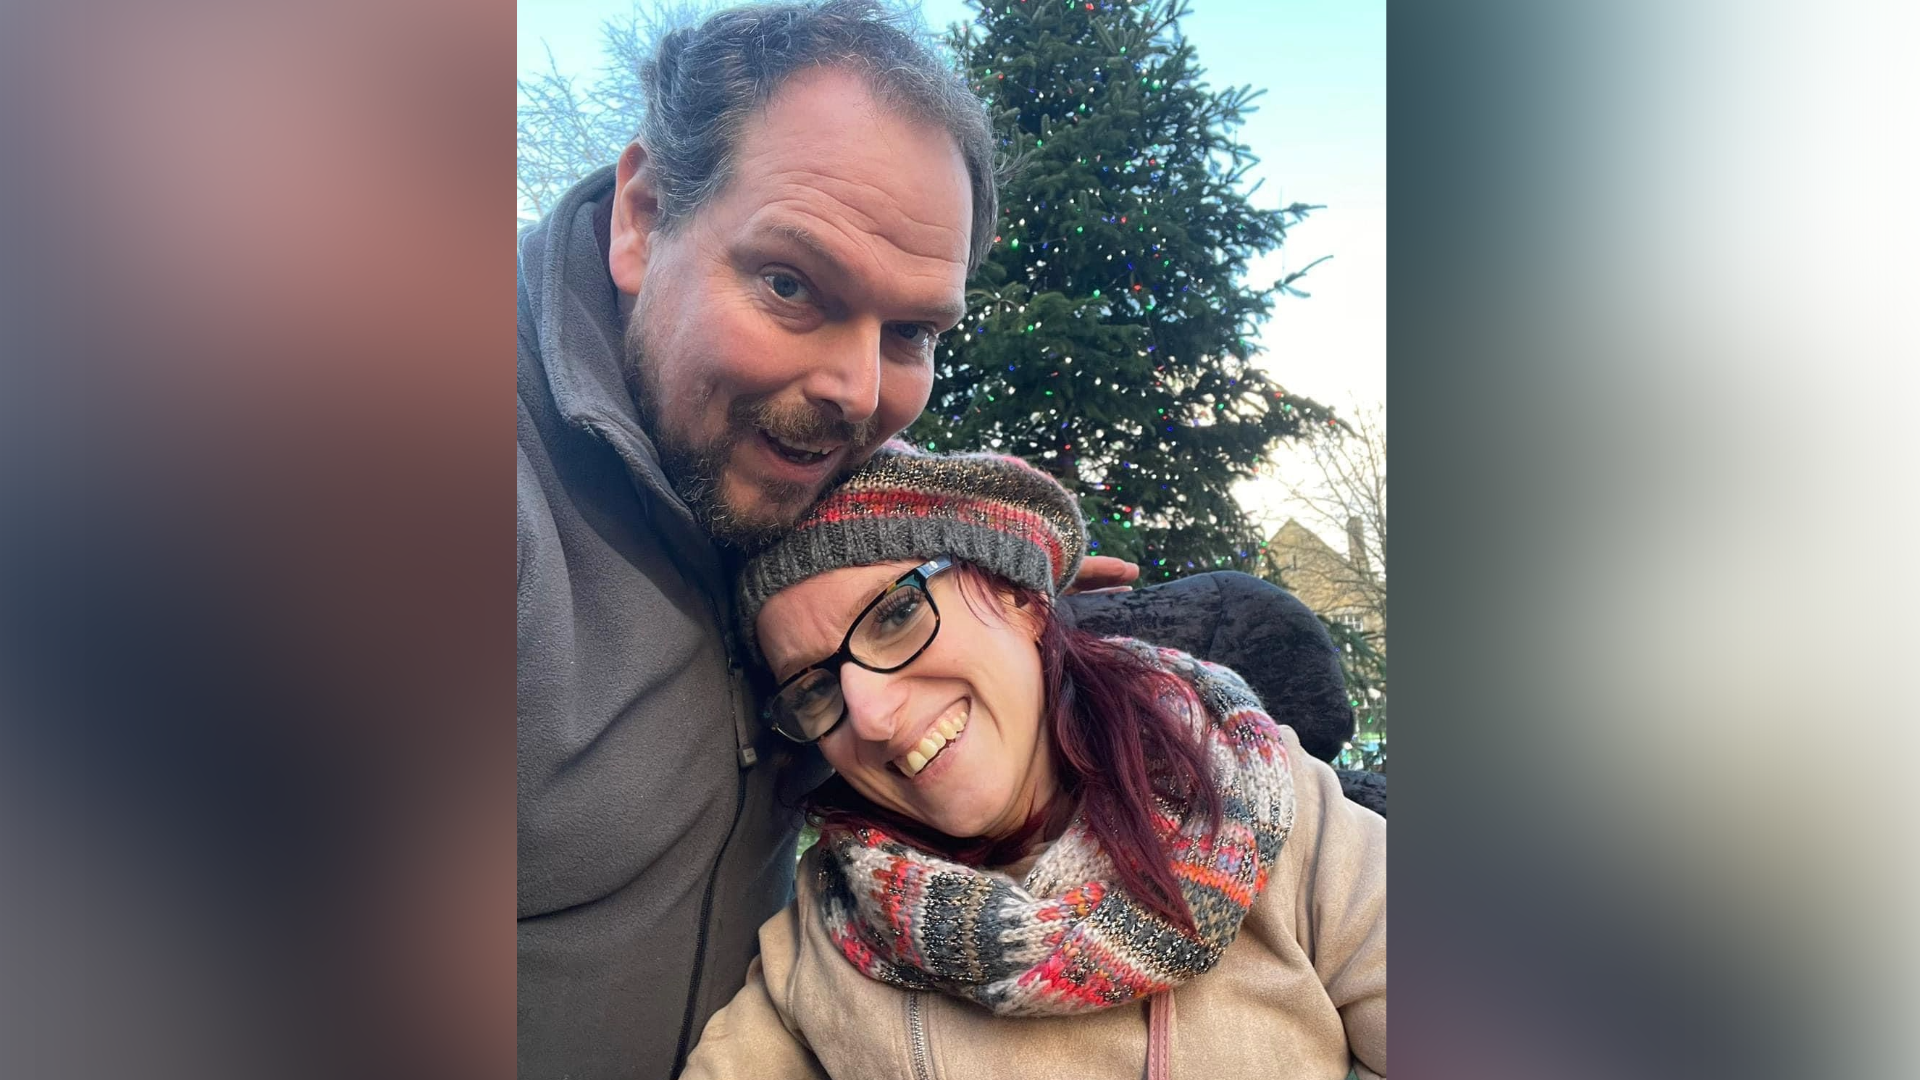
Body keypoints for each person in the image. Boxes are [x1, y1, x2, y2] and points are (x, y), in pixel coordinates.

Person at [516, 2, 1356, 1077]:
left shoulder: (738, 443)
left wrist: (1029, 581)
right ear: (642, 216)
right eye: (790, 285)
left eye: (910, 331)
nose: (856, 394)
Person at [682, 446, 1387, 1079]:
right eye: (814, 686)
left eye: (894, 615)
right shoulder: (822, 942)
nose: (870, 715)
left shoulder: (1266, 801)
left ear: (1016, 596)